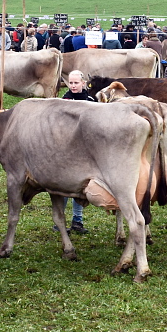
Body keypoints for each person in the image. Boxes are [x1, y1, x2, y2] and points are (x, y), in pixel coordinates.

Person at [61, 70, 97, 234]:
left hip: (84, 151)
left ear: (83, 83)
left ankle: (77, 220)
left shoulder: (91, 101)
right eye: (71, 83)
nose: (73, 86)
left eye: (76, 83)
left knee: (80, 187)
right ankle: (60, 221)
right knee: (61, 187)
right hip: (66, 149)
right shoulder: (63, 101)